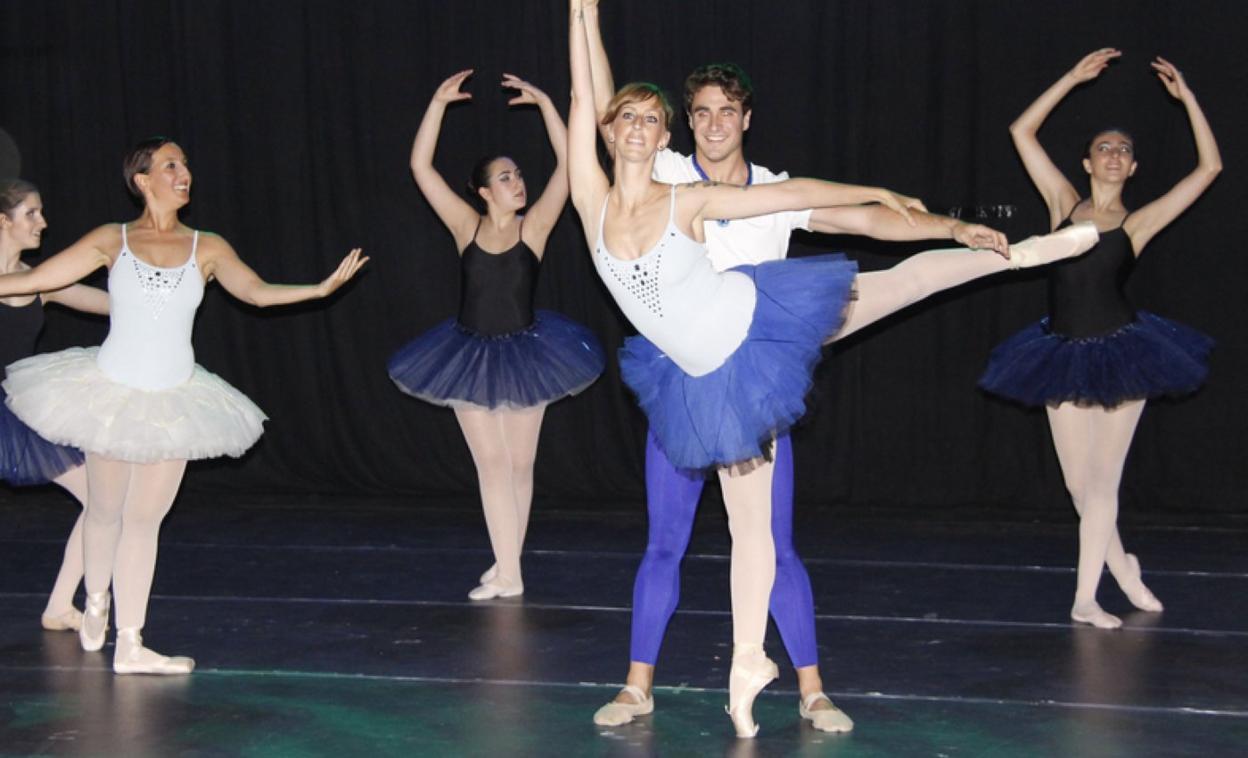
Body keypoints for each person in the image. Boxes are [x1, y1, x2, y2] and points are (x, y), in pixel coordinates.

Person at [567, 0, 1097, 737]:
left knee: (774, 532)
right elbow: (597, 101)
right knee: (670, 540)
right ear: (679, 123)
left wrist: (946, 223)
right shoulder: (659, 169)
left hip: (767, 344)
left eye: (727, 111)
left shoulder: (740, 189)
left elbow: (856, 218)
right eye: (701, 112)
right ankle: (642, 686)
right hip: (687, 379)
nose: (713, 123)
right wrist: (584, 17)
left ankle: (809, 688)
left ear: (745, 119)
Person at [0, 138, 367, 673]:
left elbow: (256, 292)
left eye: (186, 164)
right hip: (111, 393)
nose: (184, 172)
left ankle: (130, 644)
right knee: (103, 510)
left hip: (174, 399)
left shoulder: (207, 247)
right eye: (171, 164)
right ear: (143, 180)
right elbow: (35, 279)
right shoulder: (111, 239)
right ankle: (95, 602)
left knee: (144, 522)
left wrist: (317, 289)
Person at [979, 49, 1220, 629]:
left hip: (1123, 352)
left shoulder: (1138, 223)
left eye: (1125, 150)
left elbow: (1209, 168)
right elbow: (1021, 131)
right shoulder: (1064, 204)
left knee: (1104, 481)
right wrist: (1070, 78)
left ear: (1132, 169)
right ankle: (1125, 567)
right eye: (1105, 147)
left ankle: (1085, 598)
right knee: (1078, 486)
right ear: (1088, 162)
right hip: (1060, 352)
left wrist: (1187, 99)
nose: (1115, 154)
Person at [388, 71, 604, 601]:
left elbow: (570, 167)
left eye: (518, 175)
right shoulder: (466, 226)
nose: (517, 182)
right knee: (491, 464)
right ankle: (508, 570)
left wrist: (548, 104)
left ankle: (509, 567)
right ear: (485, 192)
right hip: (467, 354)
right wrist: (437, 103)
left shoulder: (536, 227)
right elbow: (420, 168)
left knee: (520, 464)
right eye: (505, 178)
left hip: (529, 352)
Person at [0, 178, 109, 632]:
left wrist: (165, 291)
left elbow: (113, 304)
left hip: (16, 412)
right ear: (2, 221)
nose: (42, 222)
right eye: (31, 213)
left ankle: (60, 606)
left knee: (102, 499)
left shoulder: (40, 281)